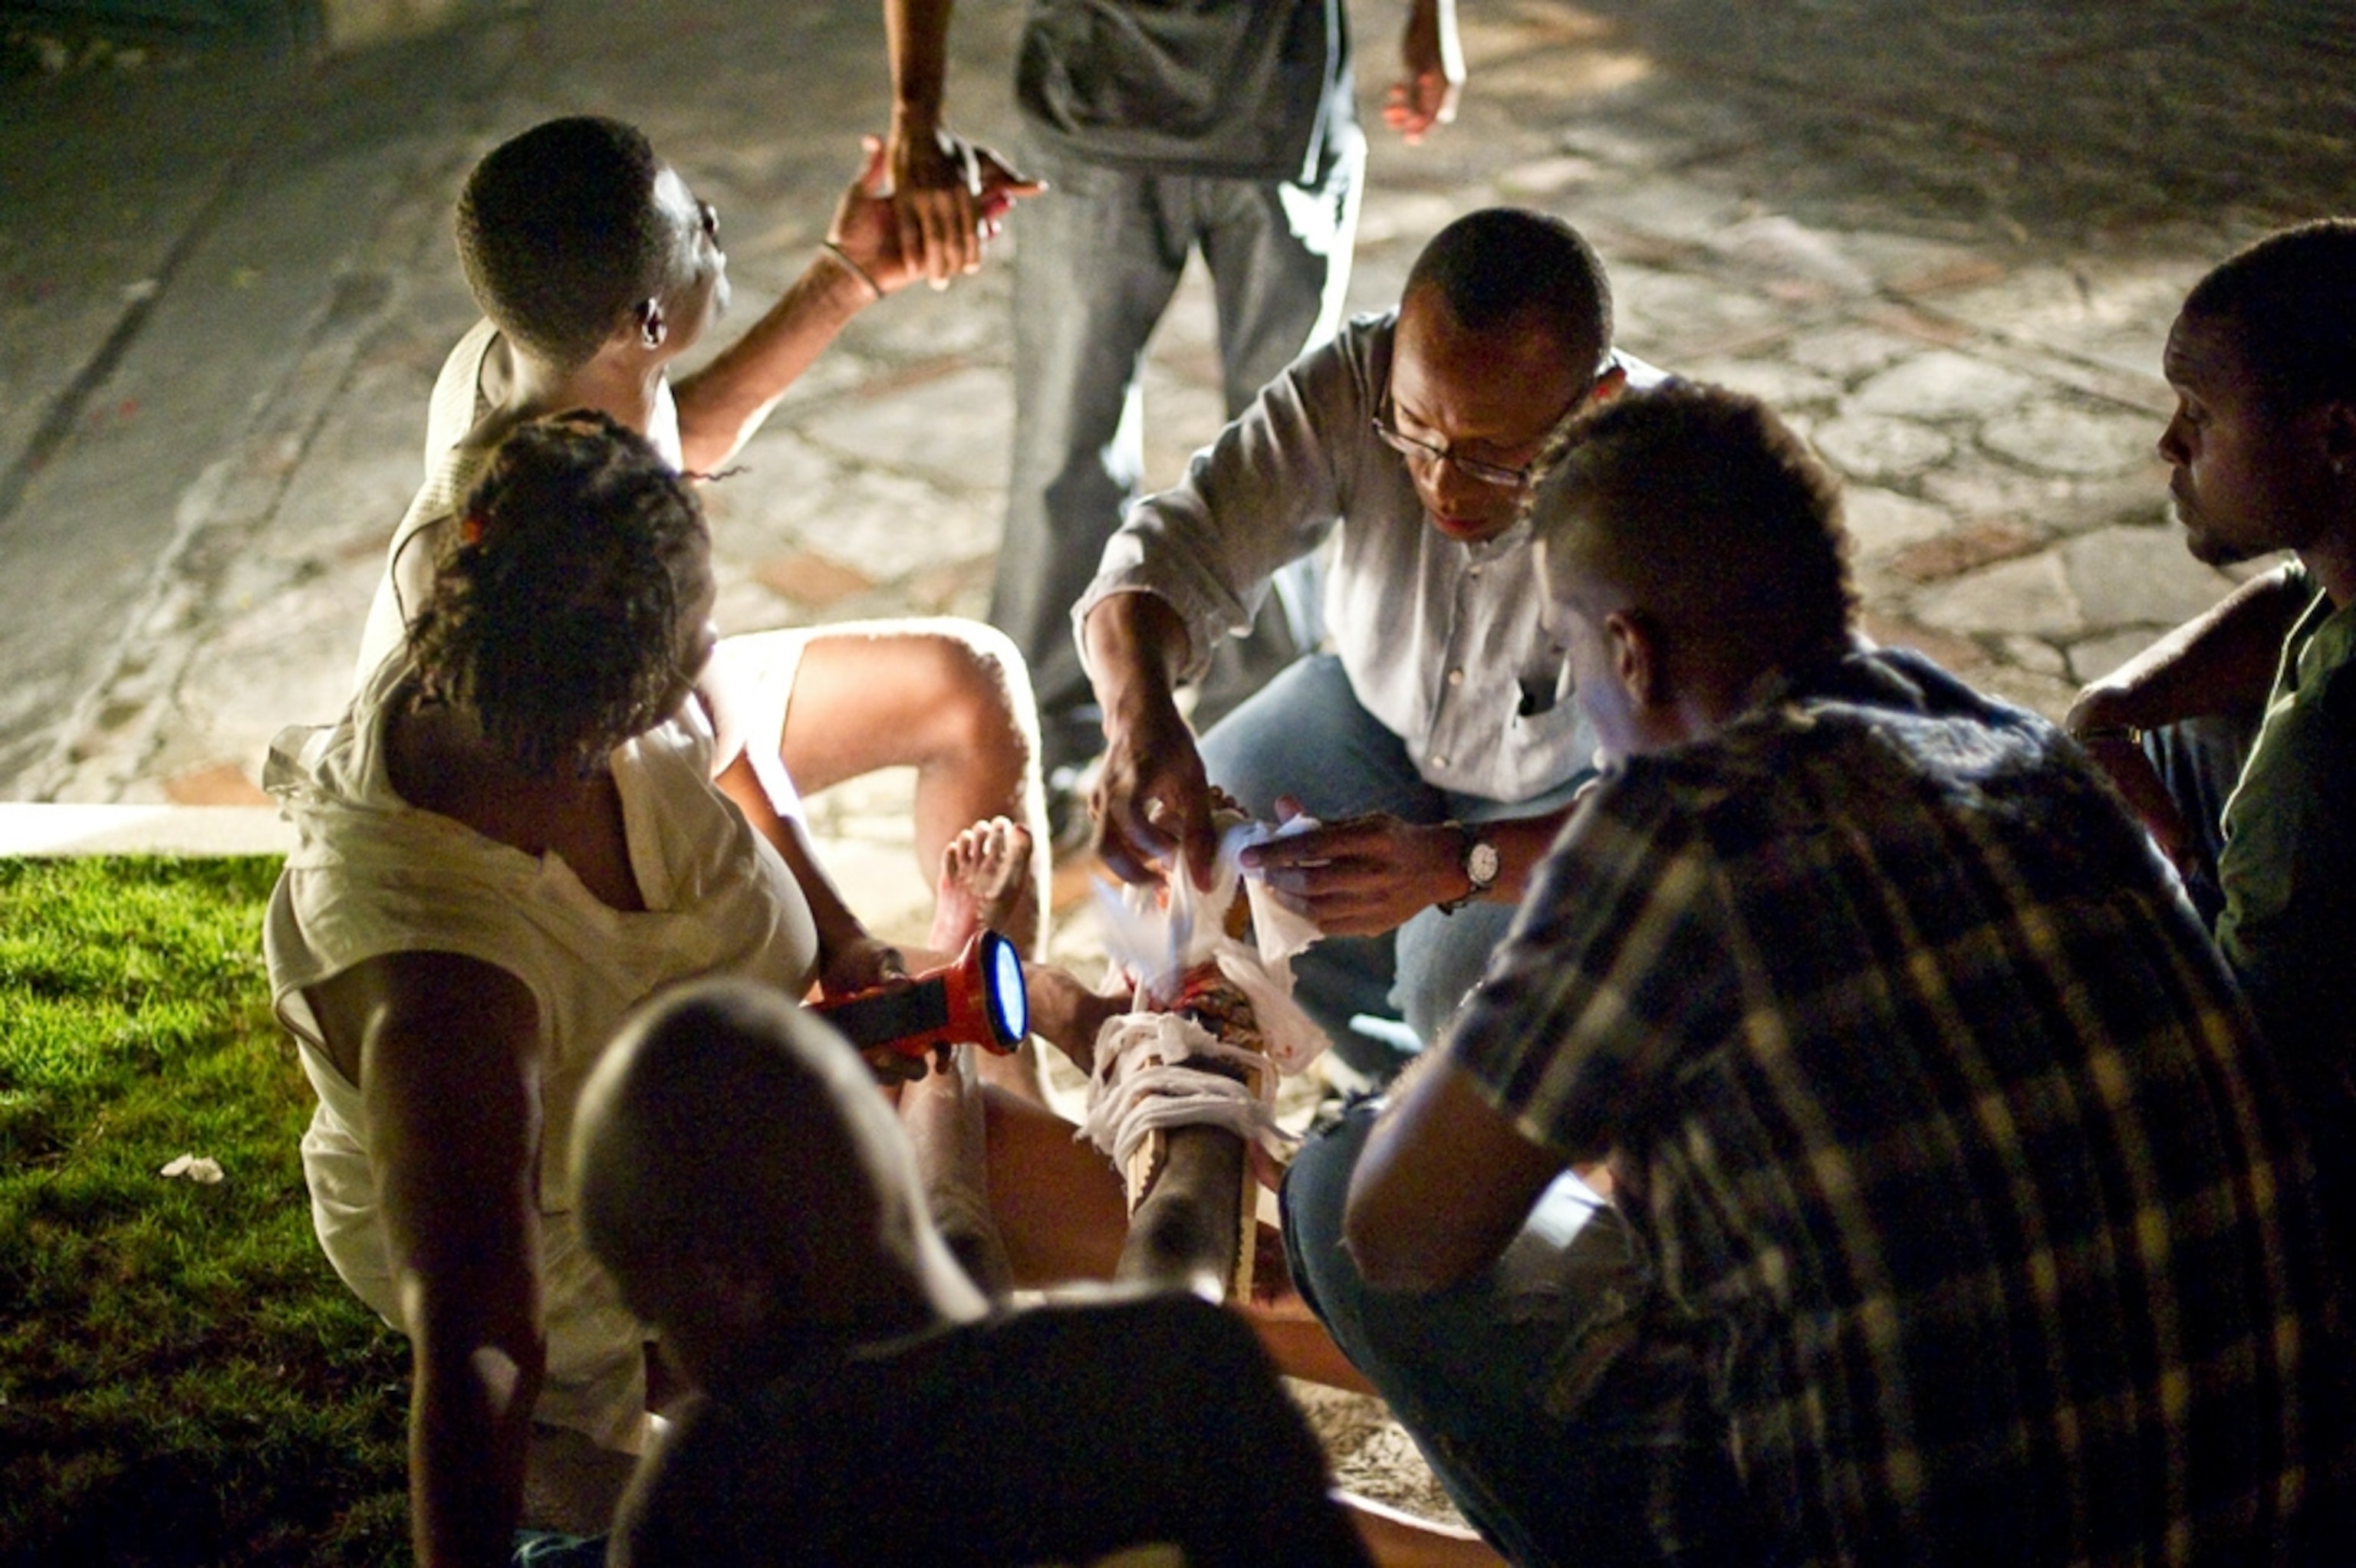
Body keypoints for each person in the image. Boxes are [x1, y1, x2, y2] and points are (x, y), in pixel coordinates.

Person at [1286, 383, 2355, 1564]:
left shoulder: (1676, 830)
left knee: (1335, 1180)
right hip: (2266, 1511)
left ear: (1630, 653)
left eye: (1569, 654)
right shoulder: (2025, 760)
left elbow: (1401, 1232)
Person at [265, 415, 1132, 1568]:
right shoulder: (446, 992)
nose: (715, 648)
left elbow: (735, 757)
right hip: (613, 1259)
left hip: (745, 1144)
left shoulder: (528, 601)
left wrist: (845, 942)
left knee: (1115, 1254)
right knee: (1081, 1371)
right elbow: (482, 1348)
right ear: (613, 724)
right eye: (693, 643)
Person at [359, 114, 1053, 975]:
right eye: (692, 228)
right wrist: (845, 938)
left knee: (967, 681)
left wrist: (849, 276)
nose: (713, 219)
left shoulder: (555, 352)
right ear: (647, 320)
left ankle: (992, 1030)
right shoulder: (534, 539)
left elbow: (676, 435)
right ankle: (977, 1020)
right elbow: (701, 749)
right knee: (804, 958)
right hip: (566, 818)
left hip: (654, 720)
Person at [1078, 206, 1656, 1073]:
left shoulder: (1669, 483)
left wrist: (1462, 861)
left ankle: (1485, 1120)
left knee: (1456, 979)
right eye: (1413, 431)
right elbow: (1173, 548)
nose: (1441, 481)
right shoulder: (1359, 378)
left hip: (1574, 794)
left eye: (1492, 455)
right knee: (1208, 864)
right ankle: (1391, 1082)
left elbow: (1689, 810)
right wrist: (1138, 718)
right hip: (1373, 712)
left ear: (1596, 403)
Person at [880, 0, 1465, 822]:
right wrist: (914, 117)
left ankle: (1258, 759)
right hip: (1094, 117)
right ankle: (1038, 743)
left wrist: (1432, 15)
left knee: (1294, 456)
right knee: (1064, 449)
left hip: (1281, 109)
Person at [571, 976, 1374, 1567]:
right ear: (885, 1166)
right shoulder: (1176, 1359)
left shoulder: (702, 1501)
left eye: (649, 1305)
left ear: (726, 1280)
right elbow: (1169, 1242)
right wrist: (1201, 1092)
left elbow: (962, 1238)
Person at [2063, 220, 2356, 1153]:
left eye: (2198, 412)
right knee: (2171, 735)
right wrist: (2110, 711)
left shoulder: (2320, 751)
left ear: (2336, 433)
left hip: (2301, 1136)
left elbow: (2257, 1063)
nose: (2169, 443)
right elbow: (2295, 591)